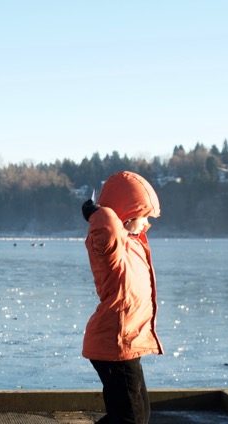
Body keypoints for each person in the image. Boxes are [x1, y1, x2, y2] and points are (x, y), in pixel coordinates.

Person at [81, 171, 163, 424]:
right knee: (131, 418)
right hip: (114, 343)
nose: (147, 221)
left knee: (134, 415)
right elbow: (106, 225)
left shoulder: (132, 243)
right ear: (125, 215)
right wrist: (98, 211)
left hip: (127, 341)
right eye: (143, 215)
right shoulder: (111, 250)